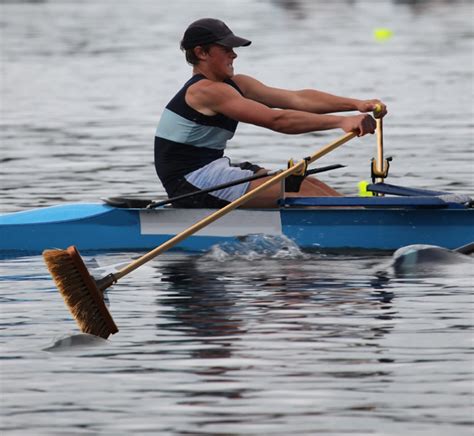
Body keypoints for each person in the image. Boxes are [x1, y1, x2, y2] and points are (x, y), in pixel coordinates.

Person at [154, 18, 387, 208]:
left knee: (311, 184)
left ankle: (359, 216)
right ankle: (361, 223)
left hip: (214, 168)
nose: (234, 55)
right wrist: (341, 122)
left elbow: (297, 99)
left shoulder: (238, 84)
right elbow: (277, 120)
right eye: (226, 49)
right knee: (301, 191)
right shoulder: (204, 91)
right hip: (189, 183)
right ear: (201, 53)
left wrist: (356, 103)